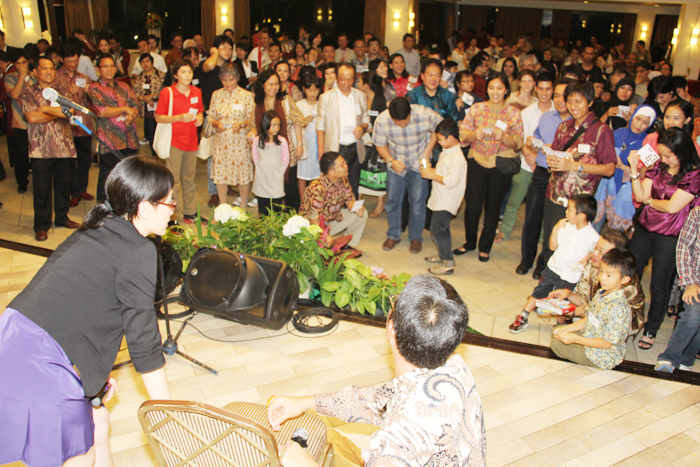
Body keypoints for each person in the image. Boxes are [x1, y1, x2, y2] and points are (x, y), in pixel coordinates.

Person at [0, 156, 173, 467]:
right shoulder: (140, 250)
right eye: (170, 203)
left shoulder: (98, 224)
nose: (173, 210)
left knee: (98, 423)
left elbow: (78, 301)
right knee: (79, 456)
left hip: (12, 337)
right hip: (41, 361)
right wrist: (166, 413)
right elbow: (144, 341)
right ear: (146, 208)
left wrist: (95, 378)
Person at [267, 274, 486, 467]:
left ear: (391, 328)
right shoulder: (454, 369)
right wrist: (306, 402)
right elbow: (381, 401)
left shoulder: (393, 446)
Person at [628, 128, 700, 350]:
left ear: (683, 152)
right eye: (662, 154)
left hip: (670, 235)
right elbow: (640, 195)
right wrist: (634, 169)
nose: (665, 159)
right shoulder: (659, 166)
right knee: (630, 274)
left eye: (669, 155)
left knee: (660, 283)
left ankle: (651, 328)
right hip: (645, 227)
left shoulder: (693, 174)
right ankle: (627, 318)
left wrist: (651, 202)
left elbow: (672, 207)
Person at [536, 81, 615, 275]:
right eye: (569, 101)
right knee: (551, 240)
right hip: (554, 193)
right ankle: (547, 280)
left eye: (578, 101)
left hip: (578, 202)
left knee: (570, 246)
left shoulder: (601, 131)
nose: (573, 106)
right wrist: (552, 159)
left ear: (590, 102)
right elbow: (556, 154)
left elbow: (609, 169)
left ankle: (565, 284)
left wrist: (576, 166)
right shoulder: (563, 127)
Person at [456, 73, 524, 262]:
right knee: (472, 207)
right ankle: (470, 242)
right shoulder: (477, 109)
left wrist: (503, 137)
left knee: (493, 207)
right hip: (477, 161)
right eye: (492, 88)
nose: (495, 92)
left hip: (499, 165)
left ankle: (485, 247)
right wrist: (474, 134)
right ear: (487, 89)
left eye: (499, 88)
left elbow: (518, 143)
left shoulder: (513, 113)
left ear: (506, 91)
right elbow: (463, 136)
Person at [509, 194, 600, 333]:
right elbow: (552, 247)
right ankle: (523, 315)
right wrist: (556, 228)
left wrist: (587, 258)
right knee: (539, 291)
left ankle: (560, 324)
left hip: (570, 276)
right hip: (553, 268)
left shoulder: (593, 237)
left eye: (569, 209)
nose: (566, 212)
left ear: (581, 215)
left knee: (561, 302)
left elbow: (595, 252)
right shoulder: (565, 226)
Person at [516, 78, 573, 278]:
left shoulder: (575, 124)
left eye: (564, 96)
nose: (559, 100)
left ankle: (543, 264)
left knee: (553, 222)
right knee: (531, 218)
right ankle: (526, 260)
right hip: (541, 172)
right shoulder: (547, 117)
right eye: (556, 95)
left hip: (562, 176)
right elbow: (534, 140)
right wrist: (532, 142)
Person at [21, 57, 79, 242]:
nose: (48, 71)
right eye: (44, 68)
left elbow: (69, 112)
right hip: (41, 149)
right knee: (41, 189)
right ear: (36, 72)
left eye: (52, 68)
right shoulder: (28, 92)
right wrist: (57, 113)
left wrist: (43, 109)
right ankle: (41, 225)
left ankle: (62, 217)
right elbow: (31, 118)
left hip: (65, 147)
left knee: (64, 186)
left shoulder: (61, 90)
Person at [373, 97, 442, 254]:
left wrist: (427, 151)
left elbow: (440, 130)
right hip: (396, 165)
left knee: (418, 202)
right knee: (393, 201)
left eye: (405, 122)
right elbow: (379, 144)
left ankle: (416, 238)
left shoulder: (425, 114)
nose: (402, 126)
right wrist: (390, 160)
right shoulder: (382, 120)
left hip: (419, 164)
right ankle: (393, 235)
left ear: (410, 112)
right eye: (398, 124)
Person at [550, 248, 636, 370]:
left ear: (625, 279)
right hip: (590, 335)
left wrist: (576, 339)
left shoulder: (618, 308)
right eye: (601, 271)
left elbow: (607, 343)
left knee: (557, 344)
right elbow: (589, 319)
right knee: (558, 331)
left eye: (609, 275)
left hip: (601, 356)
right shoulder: (602, 293)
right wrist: (566, 328)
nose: (602, 278)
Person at [548, 230, 646, 331]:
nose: (594, 253)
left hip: (623, 320)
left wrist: (572, 312)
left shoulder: (623, 281)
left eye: (601, 251)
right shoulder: (592, 266)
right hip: (596, 310)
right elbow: (584, 298)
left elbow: (605, 312)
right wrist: (568, 294)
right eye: (596, 248)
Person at [498, 72, 555, 244]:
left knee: (545, 204)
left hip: (549, 166)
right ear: (536, 89)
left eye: (548, 89)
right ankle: (505, 230)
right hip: (526, 162)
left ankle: (543, 237)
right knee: (515, 200)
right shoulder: (527, 112)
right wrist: (530, 159)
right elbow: (520, 137)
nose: (544, 93)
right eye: (541, 89)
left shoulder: (558, 112)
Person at [155, 58, 205, 224]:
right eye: (183, 71)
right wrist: (178, 118)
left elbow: (200, 110)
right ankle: (171, 216)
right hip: (174, 142)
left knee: (190, 180)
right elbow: (158, 117)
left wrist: (199, 117)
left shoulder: (196, 92)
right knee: (173, 182)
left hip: (191, 142)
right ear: (175, 75)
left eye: (190, 71)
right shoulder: (167, 92)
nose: (187, 75)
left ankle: (190, 213)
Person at [594, 106, 656, 232]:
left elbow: (646, 174)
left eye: (645, 122)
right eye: (638, 119)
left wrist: (623, 167)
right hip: (607, 181)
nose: (639, 124)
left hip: (628, 188)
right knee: (595, 219)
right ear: (633, 116)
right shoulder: (618, 132)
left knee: (617, 231)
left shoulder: (648, 143)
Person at [87, 53, 139, 203]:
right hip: (108, 140)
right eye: (105, 66)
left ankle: (126, 207)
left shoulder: (124, 86)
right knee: (107, 176)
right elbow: (101, 111)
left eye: (112, 66)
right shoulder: (94, 88)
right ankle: (104, 210)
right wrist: (126, 109)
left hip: (129, 138)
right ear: (98, 69)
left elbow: (135, 106)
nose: (109, 69)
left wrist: (131, 115)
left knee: (128, 176)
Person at [252, 69, 306, 210]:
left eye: (276, 84)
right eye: (270, 84)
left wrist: (299, 144)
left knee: (290, 188)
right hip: (265, 154)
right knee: (266, 190)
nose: (274, 87)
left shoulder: (285, 101)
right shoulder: (257, 103)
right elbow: (252, 125)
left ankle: (291, 221)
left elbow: (298, 120)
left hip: (285, 151)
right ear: (262, 85)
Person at [655, 206, 700, 372]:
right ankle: (669, 358)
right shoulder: (697, 214)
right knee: (693, 315)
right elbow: (683, 247)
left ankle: (687, 361)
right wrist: (689, 282)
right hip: (694, 280)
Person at [420, 118, 467, 275]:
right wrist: (431, 170)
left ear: (451, 138)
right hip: (440, 197)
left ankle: (448, 262)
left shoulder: (457, 158)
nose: (438, 142)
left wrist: (431, 175)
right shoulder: (448, 152)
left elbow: (451, 181)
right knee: (439, 229)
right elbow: (443, 173)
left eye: (440, 139)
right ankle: (443, 255)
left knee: (438, 230)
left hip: (447, 200)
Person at [316, 63, 369, 198]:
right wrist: (321, 152)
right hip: (335, 149)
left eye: (350, 79)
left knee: (353, 186)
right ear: (336, 78)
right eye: (343, 79)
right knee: (333, 188)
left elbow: (366, 119)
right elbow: (320, 127)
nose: (346, 82)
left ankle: (353, 217)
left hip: (355, 147)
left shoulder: (360, 95)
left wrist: (362, 128)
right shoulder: (326, 97)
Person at [208, 62, 256, 206]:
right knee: (221, 174)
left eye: (231, 79)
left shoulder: (246, 95)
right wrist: (217, 124)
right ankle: (223, 206)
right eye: (224, 79)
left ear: (237, 78)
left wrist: (241, 124)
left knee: (242, 174)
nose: (227, 83)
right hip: (221, 141)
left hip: (240, 141)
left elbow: (252, 119)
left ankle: (243, 206)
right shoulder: (216, 94)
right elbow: (210, 116)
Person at [299, 152, 367, 250]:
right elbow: (314, 221)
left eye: (345, 163)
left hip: (332, 220)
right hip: (314, 227)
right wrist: (326, 237)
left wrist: (357, 208)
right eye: (342, 165)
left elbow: (349, 200)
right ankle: (325, 245)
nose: (346, 166)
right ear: (331, 172)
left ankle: (348, 245)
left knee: (363, 214)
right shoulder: (317, 188)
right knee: (320, 249)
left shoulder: (343, 179)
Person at [54, 44, 96, 207]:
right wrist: (71, 93)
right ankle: (73, 193)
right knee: (70, 162)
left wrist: (90, 92)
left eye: (75, 61)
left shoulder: (84, 78)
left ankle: (81, 189)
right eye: (69, 61)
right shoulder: (56, 78)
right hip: (66, 127)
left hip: (83, 125)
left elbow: (90, 102)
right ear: (61, 60)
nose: (73, 64)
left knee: (85, 161)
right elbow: (55, 102)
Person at [200, 35, 235, 208]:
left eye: (230, 48)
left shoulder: (230, 69)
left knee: (229, 153)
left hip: (230, 117)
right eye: (224, 47)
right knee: (213, 156)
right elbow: (210, 65)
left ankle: (225, 185)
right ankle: (213, 191)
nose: (227, 51)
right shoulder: (209, 66)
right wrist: (215, 51)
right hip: (213, 117)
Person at [358, 64, 388, 217]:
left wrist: (368, 129)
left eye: (359, 81)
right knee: (360, 172)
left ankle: (380, 204)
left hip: (376, 141)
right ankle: (358, 203)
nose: (357, 84)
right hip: (362, 140)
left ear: (366, 84)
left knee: (378, 173)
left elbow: (383, 124)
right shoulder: (360, 97)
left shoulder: (380, 100)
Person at [4, 51, 35, 194]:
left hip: (36, 121)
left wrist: (27, 77)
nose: (21, 66)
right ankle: (22, 181)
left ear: (28, 62)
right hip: (20, 122)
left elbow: (37, 94)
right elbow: (14, 95)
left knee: (37, 153)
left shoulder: (35, 75)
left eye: (23, 62)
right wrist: (21, 77)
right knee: (22, 155)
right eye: (17, 63)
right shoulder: (10, 77)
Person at [252, 110, 289, 215]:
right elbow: (255, 158)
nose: (276, 128)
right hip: (262, 178)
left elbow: (285, 160)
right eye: (273, 125)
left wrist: (279, 172)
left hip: (275, 178)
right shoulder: (257, 141)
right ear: (266, 124)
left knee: (277, 207)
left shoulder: (282, 142)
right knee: (263, 208)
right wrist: (262, 169)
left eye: (278, 125)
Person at [132, 53, 166, 157]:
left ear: (152, 62)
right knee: (151, 132)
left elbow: (166, 90)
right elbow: (135, 92)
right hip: (147, 109)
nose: (145, 64)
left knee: (161, 131)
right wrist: (144, 99)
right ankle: (154, 154)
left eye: (147, 61)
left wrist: (153, 96)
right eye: (143, 62)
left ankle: (163, 152)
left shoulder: (161, 75)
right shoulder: (139, 78)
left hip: (160, 107)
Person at [296, 76, 323, 203]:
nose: (312, 93)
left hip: (318, 144)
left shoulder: (322, 104)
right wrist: (304, 121)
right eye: (309, 90)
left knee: (317, 173)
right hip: (305, 143)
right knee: (302, 173)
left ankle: (315, 200)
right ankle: (302, 201)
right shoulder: (299, 105)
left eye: (315, 90)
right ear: (304, 89)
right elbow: (294, 125)